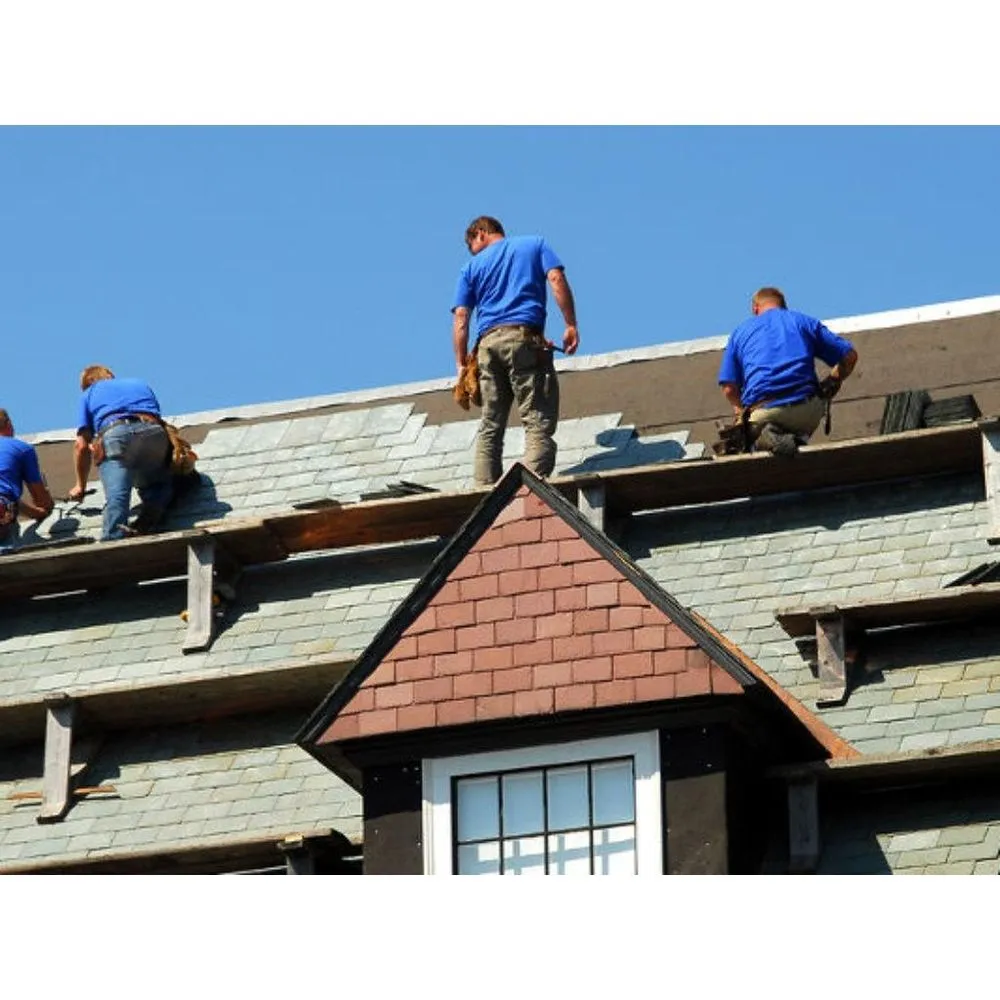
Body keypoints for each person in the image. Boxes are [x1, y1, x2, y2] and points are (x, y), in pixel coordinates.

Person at [452, 215, 579, 485]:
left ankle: (485, 495)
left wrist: (461, 364)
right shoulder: (534, 245)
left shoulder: (470, 268)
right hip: (523, 339)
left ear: (482, 233)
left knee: (491, 423)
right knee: (536, 419)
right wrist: (570, 324)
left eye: (472, 244)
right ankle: (527, 492)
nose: (474, 253)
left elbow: (461, 318)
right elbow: (555, 278)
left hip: (487, 347)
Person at [718, 287, 858, 456]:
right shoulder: (803, 322)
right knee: (796, 439)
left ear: (755, 308)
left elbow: (729, 388)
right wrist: (832, 382)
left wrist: (740, 413)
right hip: (807, 410)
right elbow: (849, 356)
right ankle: (792, 440)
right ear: (784, 306)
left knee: (745, 447)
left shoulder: (740, 333)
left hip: (764, 412)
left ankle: (767, 440)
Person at [68, 365, 174, 540]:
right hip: (154, 433)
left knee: (117, 495)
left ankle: (113, 538)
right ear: (110, 376)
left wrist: (80, 485)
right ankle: (149, 523)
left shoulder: (89, 393)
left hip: (117, 434)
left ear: (89, 382)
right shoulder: (139, 383)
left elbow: (81, 445)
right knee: (157, 485)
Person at [0, 408, 54, 549]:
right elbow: (40, 497)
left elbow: (16, 504)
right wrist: (47, 506)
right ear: (9, 424)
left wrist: (37, 513)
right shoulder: (21, 449)